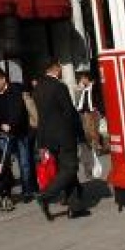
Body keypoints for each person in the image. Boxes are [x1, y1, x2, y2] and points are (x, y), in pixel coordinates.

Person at [33, 60, 86, 221]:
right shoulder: (59, 86)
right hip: (64, 136)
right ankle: (45, 196)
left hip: (48, 138)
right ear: (55, 69)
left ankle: (74, 207)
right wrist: (80, 135)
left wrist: (41, 142)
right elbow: (69, 113)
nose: (62, 71)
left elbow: (41, 117)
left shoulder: (38, 88)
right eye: (61, 68)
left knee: (64, 170)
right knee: (70, 168)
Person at [0, 67, 33, 203]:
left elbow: (19, 111)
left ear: (3, 79)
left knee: (24, 163)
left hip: (19, 132)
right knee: (3, 163)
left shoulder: (15, 91)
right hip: (2, 134)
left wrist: (11, 125)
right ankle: (5, 190)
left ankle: (27, 191)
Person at [76, 71, 104, 179]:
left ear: (87, 79)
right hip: (85, 113)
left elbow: (99, 99)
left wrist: (100, 111)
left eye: (83, 79)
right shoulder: (83, 90)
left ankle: (96, 147)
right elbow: (81, 102)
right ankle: (95, 146)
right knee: (88, 132)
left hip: (93, 112)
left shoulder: (94, 87)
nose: (81, 81)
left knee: (93, 131)